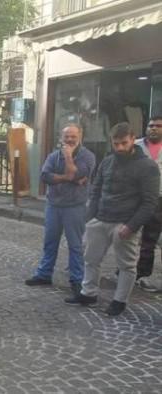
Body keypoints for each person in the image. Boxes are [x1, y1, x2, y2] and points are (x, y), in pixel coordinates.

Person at [66, 122, 160, 316]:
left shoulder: (148, 166)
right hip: (100, 219)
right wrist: (90, 218)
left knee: (126, 265)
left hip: (125, 223)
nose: (119, 148)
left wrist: (132, 226)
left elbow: (150, 202)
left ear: (133, 139)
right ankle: (88, 294)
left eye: (124, 143)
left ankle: (119, 301)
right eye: (115, 143)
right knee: (91, 259)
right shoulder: (108, 161)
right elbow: (96, 189)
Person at [25, 124, 96, 297]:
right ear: (61, 137)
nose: (69, 140)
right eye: (66, 137)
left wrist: (69, 158)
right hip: (53, 205)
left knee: (75, 245)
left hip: (75, 206)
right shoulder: (53, 156)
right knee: (50, 242)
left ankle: (77, 280)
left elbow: (78, 174)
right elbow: (45, 176)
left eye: (73, 136)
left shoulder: (88, 156)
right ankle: (44, 274)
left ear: (80, 137)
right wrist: (68, 177)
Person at [136, 116, 162, 292]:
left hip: (159, 198)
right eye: (151, 126)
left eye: (159, 126)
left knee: (150, 238)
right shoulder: (136, 145)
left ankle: (143, 273)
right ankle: (129, 270)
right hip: (137, 197)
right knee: (130, 234)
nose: (154, 128)